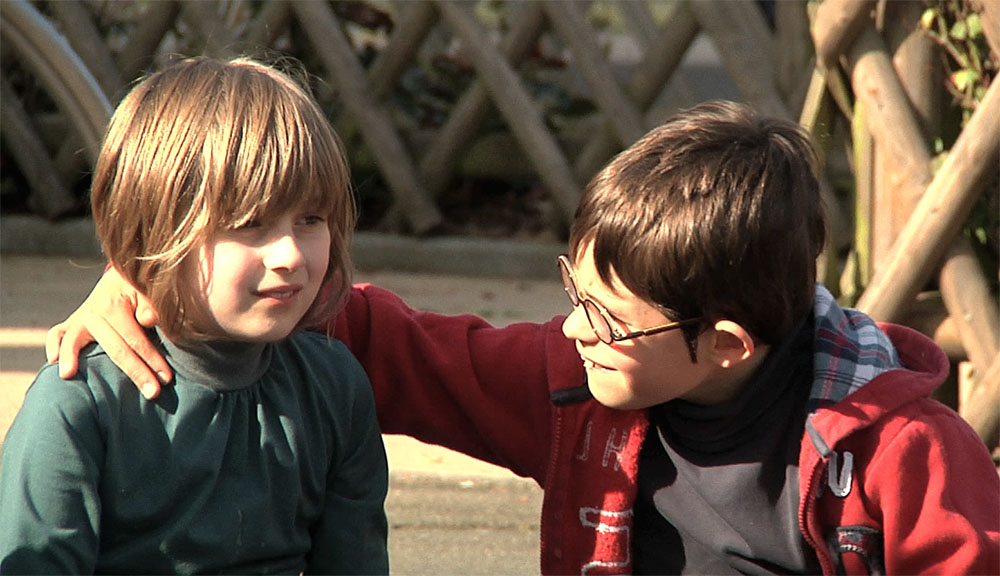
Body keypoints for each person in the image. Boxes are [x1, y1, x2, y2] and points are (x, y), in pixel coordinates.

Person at [46, 101, 999, 574]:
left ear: (727, 345)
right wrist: (148, 277)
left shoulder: (900, 461)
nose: (573, 330)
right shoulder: (575, 382)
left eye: (609, 319)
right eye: (572, 293)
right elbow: (385, 339)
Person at [1, 56, 389, 574]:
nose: (291, 255)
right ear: (157, 235)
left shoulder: (334, 386)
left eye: (311, 219)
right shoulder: (78, 406)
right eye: (250, 223)